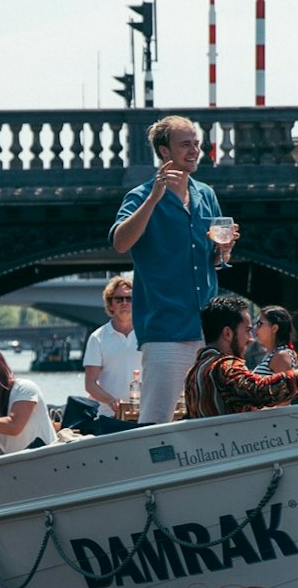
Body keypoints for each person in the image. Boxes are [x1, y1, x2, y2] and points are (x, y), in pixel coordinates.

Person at [110, 115, 237, 424]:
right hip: (166, 329)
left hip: (208, 330)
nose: (194, 150)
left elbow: (214, 259)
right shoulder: (140, 196)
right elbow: (120, 243)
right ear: (165, 151)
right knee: (155, 419)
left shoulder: (206, 194)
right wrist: (155, 197)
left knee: (214, 416)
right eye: (185, 145)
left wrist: (225, 250)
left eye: (196, 144)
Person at [184, 295, 298, 417]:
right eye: (248, 330)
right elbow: (264, 392)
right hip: (235, 454)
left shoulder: (196, 369)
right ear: (227, 333)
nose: (251, 339)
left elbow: (252, 395)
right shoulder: (224, 366)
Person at [83, 275, 141, 416]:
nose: (124, 303)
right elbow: (90, 384)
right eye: (119, 299)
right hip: (110, 414)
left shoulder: (148, 335)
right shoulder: (98, 338)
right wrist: (110, 400)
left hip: (144, 412)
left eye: (129, 299)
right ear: (110, 305)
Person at [252, 305, 298, 377]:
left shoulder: (281, 355)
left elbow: (289, 386)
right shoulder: (273, 354)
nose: (255, 328)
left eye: (259, 324)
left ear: (274, 328)